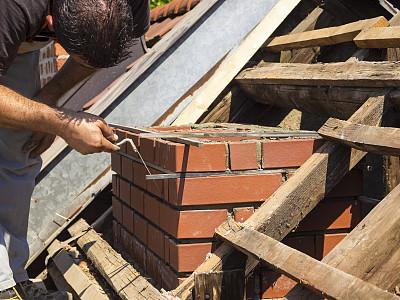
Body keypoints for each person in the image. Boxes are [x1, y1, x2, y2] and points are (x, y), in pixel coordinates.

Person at [0, 0, 150, 299]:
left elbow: (96, 57)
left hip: (19, 39)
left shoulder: (132, 5)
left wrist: (49, 102)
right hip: (10, 25)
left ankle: (11, 279)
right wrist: (61, 124)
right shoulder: (16, 8)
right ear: (52, 24)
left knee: (21, 149)